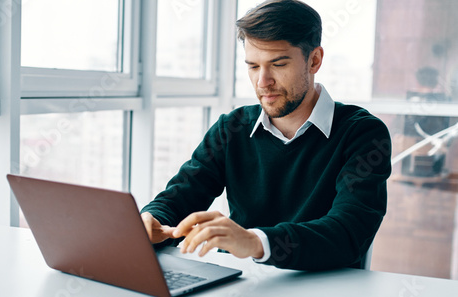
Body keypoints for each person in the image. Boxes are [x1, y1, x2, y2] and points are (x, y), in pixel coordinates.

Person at [140, 0, 392, 270]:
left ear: (314, 60)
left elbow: (348, 233)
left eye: (278, 64)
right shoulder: (231, 128)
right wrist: (151, 220)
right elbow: (179, 198)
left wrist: (255, 242)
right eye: (253, 66)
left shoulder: (362, 134)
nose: (263, 82)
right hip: (240, 290)